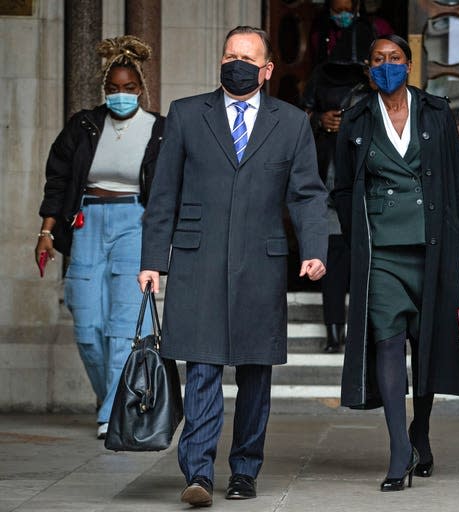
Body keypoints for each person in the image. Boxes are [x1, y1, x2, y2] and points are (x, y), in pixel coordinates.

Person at [137, 26, 328, 508]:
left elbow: (307, 193)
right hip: (197, 260)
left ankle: (244, 470)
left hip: (261, 264)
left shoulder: (291, 122)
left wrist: (315, 248)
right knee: (201, 367)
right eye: (229, 55)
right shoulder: (185, 114)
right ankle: (198, 472)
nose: (235, 63)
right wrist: (153, 261)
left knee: (255, 373)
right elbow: (164, 195)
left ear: (265, 70)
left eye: (246, 57)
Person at [332, 35, 459, 492]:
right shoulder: (356, 117)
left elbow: (458, 183)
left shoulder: (435, 113)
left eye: (394, 59)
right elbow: (342, 188)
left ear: (409, 64)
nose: (386, 66)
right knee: (389, 342)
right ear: (368, 68)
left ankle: (421, 430)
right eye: (378, 60)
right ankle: (399, 449)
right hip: (381, 253)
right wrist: (359, 237)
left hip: (433, 247)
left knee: (429, 344)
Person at [35, 36, 164, 440]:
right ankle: (109, 397)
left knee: (123, 328)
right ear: (103, 90)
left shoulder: (160, 130)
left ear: (140, 89)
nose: (121, 95)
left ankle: (111, 414)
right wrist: (46, 231)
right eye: (113, 88)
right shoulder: (84, 125)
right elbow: (57, 180)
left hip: (134, 223)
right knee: (88, 329)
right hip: (86, 222)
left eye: (128, 88)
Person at [303, 0, 387, 352]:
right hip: (331, 183)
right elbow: (301, 116)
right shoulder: (320, 76)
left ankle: (366, 331)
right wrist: (320, 121)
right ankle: (334, 331)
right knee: (334, 261)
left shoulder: (375, 87)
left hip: (368, 187)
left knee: (368, 262)